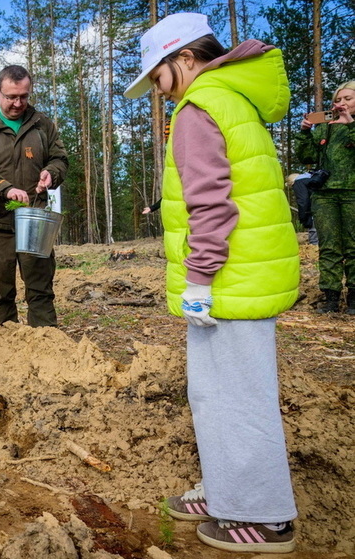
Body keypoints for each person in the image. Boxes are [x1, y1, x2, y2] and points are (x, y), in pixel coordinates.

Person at [124, 12, 299, 554]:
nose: (158, 90)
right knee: (217, 393)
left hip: (227, 280)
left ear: (184, 59)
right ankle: (229, 488)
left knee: (237, 398)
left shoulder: (200, 108)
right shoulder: (230, 98)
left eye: (158, 77)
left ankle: (260, 516)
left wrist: (198, 278)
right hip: (241, 274)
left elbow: (211, 207)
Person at [0, 65, 68, 327]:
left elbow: (59, 158)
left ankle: (46, 343)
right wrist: (5, 188)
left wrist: (51, 172)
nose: (18, 103)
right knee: (0, 293)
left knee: (41, 290)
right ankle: (5, 344)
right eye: (11, 97)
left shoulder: (42, 124)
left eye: (24, 96)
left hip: (34, 219)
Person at [294, 81, 355, 314]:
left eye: (347, 99)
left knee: (353, 246)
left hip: (352, 194)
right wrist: (304, 132)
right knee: (329, 247)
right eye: (337, 100)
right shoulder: (325, 127)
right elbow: (307, 156)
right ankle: (330, 297)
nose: (341, 104)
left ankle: (354, 298)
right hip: (324, 195)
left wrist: (350, 124)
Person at [285, 173, 318, 245]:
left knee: (314, 237)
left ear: (292, 182)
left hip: (314, 213)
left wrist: (303, 217)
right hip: (324, 209)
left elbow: (303, 201)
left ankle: (314, 247)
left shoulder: (298, 183)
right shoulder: (312, 179)